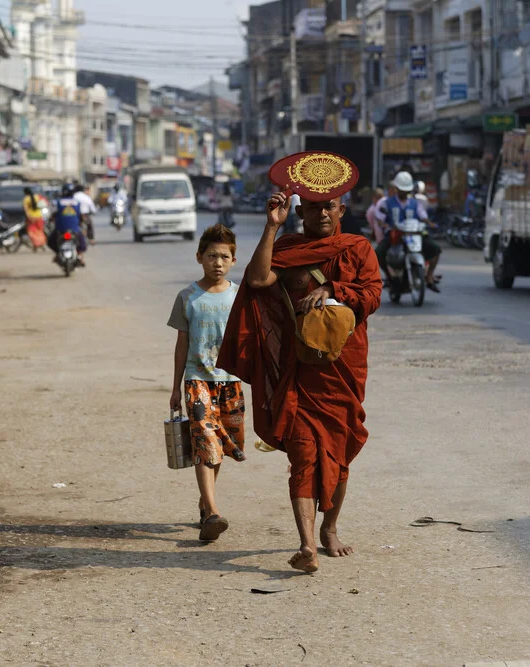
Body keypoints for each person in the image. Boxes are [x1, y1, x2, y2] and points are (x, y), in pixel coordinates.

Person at [217, 179, 382, 573]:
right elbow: (257, 281)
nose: (322, 214)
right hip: (300, 370)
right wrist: (272, 226)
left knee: (340, 450)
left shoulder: (357, 248)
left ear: (342, 210)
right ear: (300, 212)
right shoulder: (288, 249)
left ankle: (330, 529)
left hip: (342, 368)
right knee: (304, 453)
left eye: (330, 207)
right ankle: (307, 545)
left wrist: (335, 289)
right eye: (312, 208)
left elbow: (372, 294)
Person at [168, 224, 246, 542]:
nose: (218, 262)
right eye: (212, 255)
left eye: (224, 256)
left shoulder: (239, 295)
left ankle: (204, 502)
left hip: (230, 381)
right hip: (197, 379)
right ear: (199, 257)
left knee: (220, 446)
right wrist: (175, 387)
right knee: (204, 441)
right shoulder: (187, 297)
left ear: (233, 260)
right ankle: (213, 512)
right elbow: (181, 344)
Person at [374, 171, 442, 292]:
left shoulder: (415, 203)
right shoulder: (387, 203)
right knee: (378, 253)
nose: (404, 192)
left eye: (406, 190)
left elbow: (423, 216)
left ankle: (429, 276)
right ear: (396, 188)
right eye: (402, 189)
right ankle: (389, 277)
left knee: (436, 249)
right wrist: (384, 225)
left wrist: (429, 223)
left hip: (414, 235)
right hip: (396, 236)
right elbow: (380, 218)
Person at [49, 184, 87, 266]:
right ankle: (80, 256)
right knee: (82, 243)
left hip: (60, 229)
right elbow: (81, 216)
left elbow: (53, 215)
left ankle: (57, 254)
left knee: (50, 241)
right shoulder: (77, 203)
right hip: (75, 230)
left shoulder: (58, 202)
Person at [23, 187, 47, 251]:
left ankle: (37, 243)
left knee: (31, 232)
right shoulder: (37, 196)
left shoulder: (26, 199)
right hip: (39, 216)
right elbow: (45, 202)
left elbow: (26, 210)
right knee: (39, 231)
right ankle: (40, 244)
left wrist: (29, 217)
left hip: (31, 217)